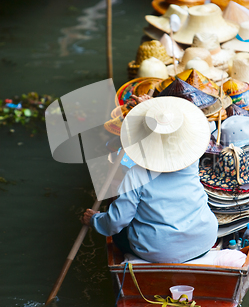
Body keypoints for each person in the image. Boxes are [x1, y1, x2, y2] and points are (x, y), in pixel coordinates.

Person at [82, 96, 218, 263]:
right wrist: (153, 108)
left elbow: (116, 222)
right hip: (205, 239)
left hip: (159, 251)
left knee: (119, 234)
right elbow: (173, 127)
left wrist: (95, 220)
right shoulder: (191, 162)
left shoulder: (136, 175)